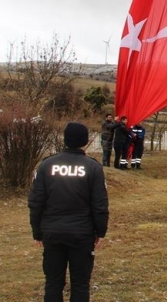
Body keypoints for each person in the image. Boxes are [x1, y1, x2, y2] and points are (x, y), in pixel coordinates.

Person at [28, 122, 109, 302]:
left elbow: (35, 202)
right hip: (82, 234)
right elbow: (100, 204)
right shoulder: (93, 167)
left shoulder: (46, 165)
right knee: (80, 283)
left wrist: (37, 232)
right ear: (85, 141)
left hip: (52, 232)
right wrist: (100, 231)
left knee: (53, 283)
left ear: (65, 139)